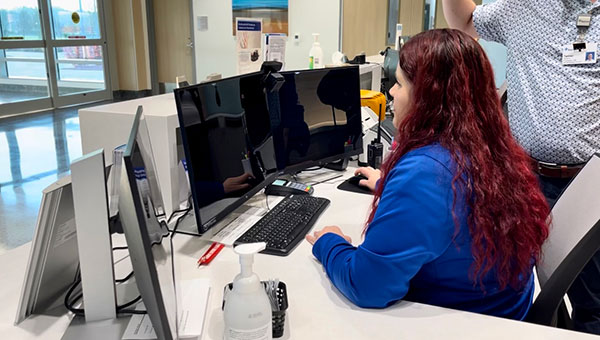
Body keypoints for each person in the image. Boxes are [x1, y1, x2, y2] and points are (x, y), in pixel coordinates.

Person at [305, 29, 550, 320]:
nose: (392, 93)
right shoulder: (487, 144)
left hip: (464, 323)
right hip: (501, 311)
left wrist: (330, 242)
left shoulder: (426, 173)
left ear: (428, 98)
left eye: (398, 84)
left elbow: (367, 286)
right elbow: (461, 201)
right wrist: (387, 183)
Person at [442, 0, 600, 333]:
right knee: (513, 281)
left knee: (593, 299)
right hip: (524, 179)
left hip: (589, 186)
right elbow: (464, 23)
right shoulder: (522, 8)